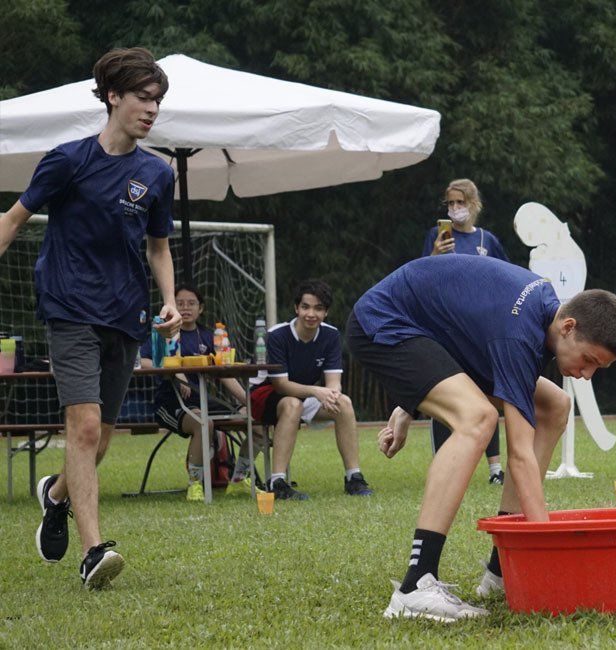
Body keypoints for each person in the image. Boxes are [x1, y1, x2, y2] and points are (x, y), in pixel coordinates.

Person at [348, 254, 616, 621]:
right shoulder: (518, 332)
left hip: (431, 334)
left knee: (555, 405)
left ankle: (502, 571)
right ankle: (415, 586)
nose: (588, 375)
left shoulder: (543, 315)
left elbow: (463, 327)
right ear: (569, 327)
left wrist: (408, 405)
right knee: (477, 418)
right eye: (589, 360)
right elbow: (519, 454)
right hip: (384, 322)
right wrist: (548, 553)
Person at [0, 47, 179, 589]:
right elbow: (11, 220)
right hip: (69, 308)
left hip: (125, 314)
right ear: (113, 97)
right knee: (83, 427)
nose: (151, 110)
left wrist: (169, 299)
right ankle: (93, 552)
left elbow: (158, 246)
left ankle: (56, 495)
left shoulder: (156, 173)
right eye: (143, 98)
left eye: (158, 101)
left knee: (99, 440)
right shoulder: (67, 160)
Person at [249, 279, 371, 500]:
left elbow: (333, 380)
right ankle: (277, 482)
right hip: (264, 395)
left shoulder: (331, 335)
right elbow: (280, 385)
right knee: (292, 404)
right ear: (296, 308)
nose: (311, 314)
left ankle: (354, 478)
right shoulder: (277, 335)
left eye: (318, 308)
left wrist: (332, 394)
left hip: (302, 394)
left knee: (344, 403)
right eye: (305, 307)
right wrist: (317, 392)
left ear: (326, 312)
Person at [422, 179, 509, 484]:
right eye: (450, 203)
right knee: (444, 390)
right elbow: (422, 278)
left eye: (460, 202)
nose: (455, 209)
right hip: (446, 327)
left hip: (481, 327)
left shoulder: (488, 240)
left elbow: (504, 279)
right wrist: (434, 253)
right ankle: (443, 465)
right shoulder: (437, 236)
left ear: (474, 204)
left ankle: (496, 468)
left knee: (486, 393)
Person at [138, 284, 250, 501]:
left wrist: (249, 400)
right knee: (203, 422)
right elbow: (142, 361)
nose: (185, 308)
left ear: (201, 309)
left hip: (203, 400)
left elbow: (224, 373)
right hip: (171, 402)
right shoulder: (163, 332)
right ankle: (195, 483)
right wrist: (173, 371)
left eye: (191, 303)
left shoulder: (209, 337)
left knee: (254, 418)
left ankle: (238, 479)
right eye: (180, 303)